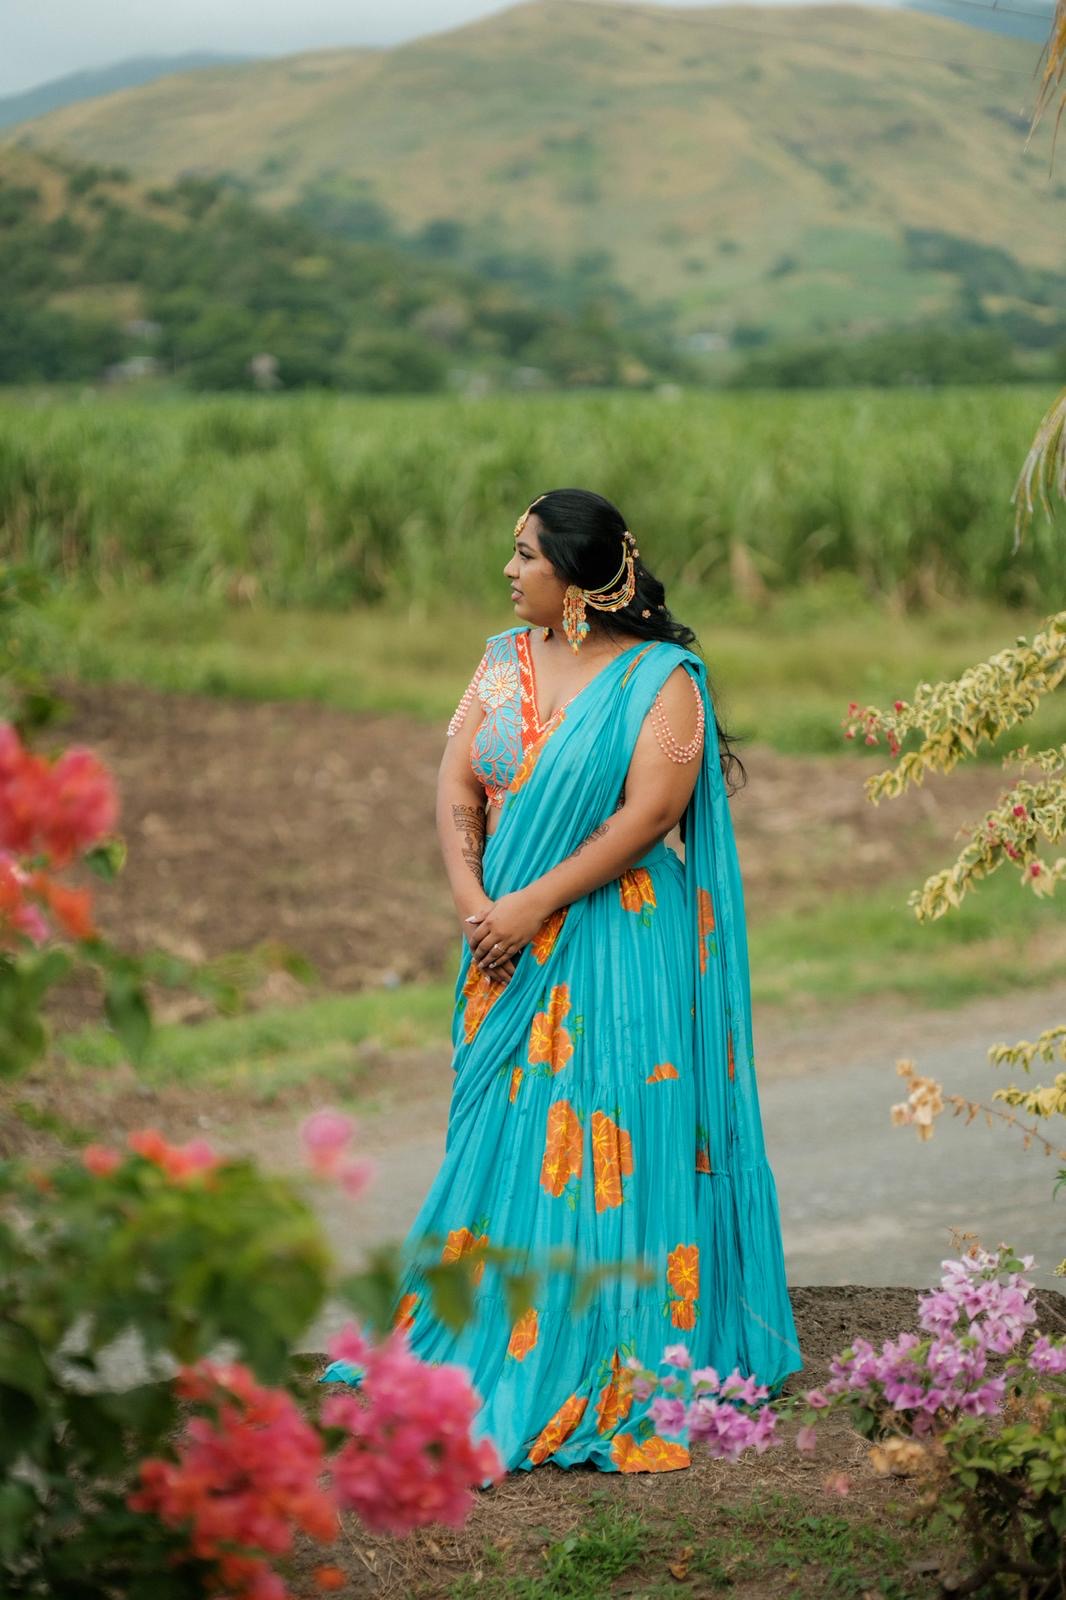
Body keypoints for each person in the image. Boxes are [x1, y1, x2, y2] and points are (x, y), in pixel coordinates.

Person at [320, 487, 801, 1475]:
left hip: (616, 935)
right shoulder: (498, 661)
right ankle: (490, 1316)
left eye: (525, 555)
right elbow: (456, 780)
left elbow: (646, 817)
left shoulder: (662, 679)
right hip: (498, 932)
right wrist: (476, 901)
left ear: (575, 576)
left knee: (604, 1122)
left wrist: (532, 902)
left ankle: (604, 1342)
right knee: (504, 1124)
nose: (508, 571)